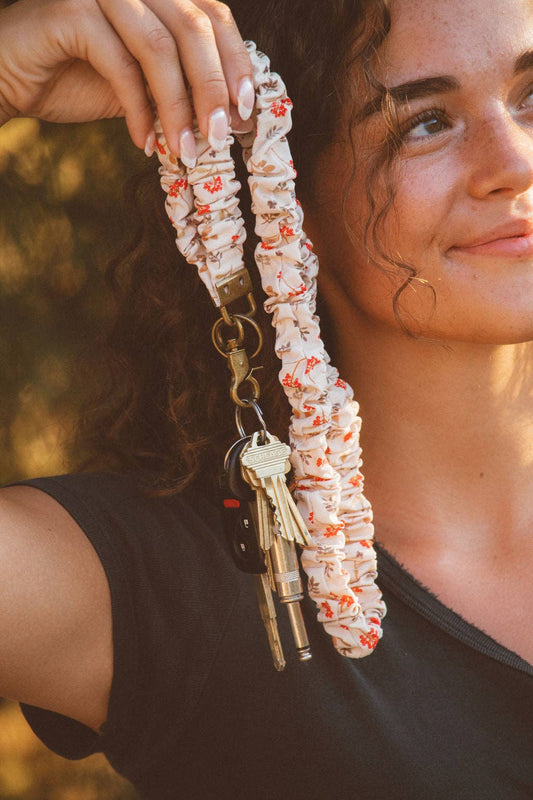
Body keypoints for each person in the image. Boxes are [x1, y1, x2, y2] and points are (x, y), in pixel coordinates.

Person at [0, 0, 531, 798]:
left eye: (532, 98)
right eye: (425, 120)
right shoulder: (157, 585)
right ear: (281, 181)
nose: (515, 158)